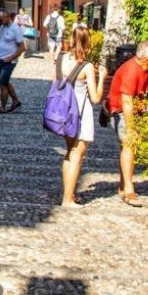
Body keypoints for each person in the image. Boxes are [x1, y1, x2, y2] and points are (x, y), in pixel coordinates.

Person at [106, 39, 148, 207]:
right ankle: (129, 190)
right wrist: (131, 128)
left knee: (127, 148)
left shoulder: (144, 68)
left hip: (130, 111)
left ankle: (124, 186)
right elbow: (127, 102)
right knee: (129, 145)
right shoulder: (132, 70)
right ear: (146, 58)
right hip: (121, 112)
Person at [58, 27, 106, 207]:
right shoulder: (86, 66)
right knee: (78, 155)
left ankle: (68, 193)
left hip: (63, 110)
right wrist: (102, 78)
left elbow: (55, 82)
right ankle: (67, 199)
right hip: (80, 112)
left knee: (70, 152)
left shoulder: (61, 59)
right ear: (88, 43)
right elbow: (95, 98)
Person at [0, 8, 25, 113]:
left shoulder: (15, 28)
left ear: (7, 17)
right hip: (0, 59)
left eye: (1, 19)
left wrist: (10, 58)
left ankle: (2, 107)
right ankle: (16, 101)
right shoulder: (2, 27)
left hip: (9, 61)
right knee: (3, 82)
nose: (0, 21)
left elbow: (22, 48)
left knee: (3, 83)